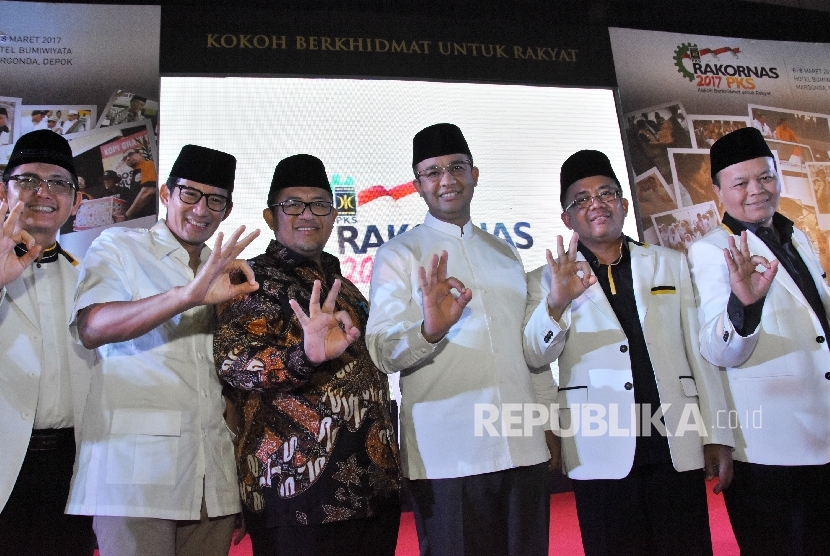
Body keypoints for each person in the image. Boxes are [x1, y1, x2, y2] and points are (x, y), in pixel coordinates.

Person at [526, 149, 733, 556]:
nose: (596, 204)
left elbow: (700, 351)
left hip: (675, 440)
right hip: (598, 446)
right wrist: (555, 304)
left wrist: (717, 433)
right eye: (581, 199)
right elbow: (534, 356)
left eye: (605, 193)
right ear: (567, 219)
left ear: (622, 204)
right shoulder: (545, 279)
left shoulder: (670, 264)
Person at [366, 123, 559, 556]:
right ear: (417, 185)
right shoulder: (399, 254)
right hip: (449, 455)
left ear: (475, 174)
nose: (447, 180)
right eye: (432, 172)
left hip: (523, 449)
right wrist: (429, 329)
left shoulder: (504, 253)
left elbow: (529, 356)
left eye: (456, 167)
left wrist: (549, 422)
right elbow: (380, 351)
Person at [66, 144, 260, 555]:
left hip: (212, 475)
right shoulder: (119, 246)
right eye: (189, 194)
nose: (201, 209)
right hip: (134, 475)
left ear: (226, 210)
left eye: (216, 200)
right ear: (166, 195)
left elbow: (231, 376)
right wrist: (186, 296)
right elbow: (91, 326)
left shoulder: (230, 270)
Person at [215, 154, 402, 556]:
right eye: (292, 204)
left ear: (334, 215)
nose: (307, 214)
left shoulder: (346, 286)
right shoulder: (249, 279)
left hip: (373, 489)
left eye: (319, 204)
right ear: (270, 216)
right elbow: (235, 366)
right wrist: (304, 355)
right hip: (295, 499)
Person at [688, 126, 830, 555]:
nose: (757, 191)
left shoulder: (798, 236)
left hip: (822, 434)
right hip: (770, 448)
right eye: (741, 183)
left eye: (766, 177)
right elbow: (717, 350)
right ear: (717, 192)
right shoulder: (713, 250)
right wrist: (743, 306)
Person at [0, 130, 97, 555]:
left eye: (59, 183)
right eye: (27, 180)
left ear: (76, 201)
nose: (43, 192)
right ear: (3, 191)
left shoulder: (91, 279)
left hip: (67, 466)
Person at [121, 147, 158, 220]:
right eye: (125, 158)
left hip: (152, 216)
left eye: (130, 154)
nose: (128, 158)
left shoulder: (148, 164)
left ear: (140, 154)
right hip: (144, 218)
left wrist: (127, 215)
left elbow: (148, 192)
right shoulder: (135, 173)